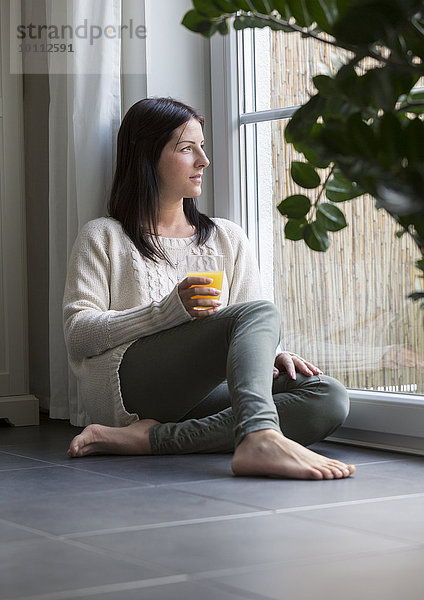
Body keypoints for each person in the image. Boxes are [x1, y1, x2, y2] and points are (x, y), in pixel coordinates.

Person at [64, 97, 356, 480]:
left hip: (204, 392)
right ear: (145, 156)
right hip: (129, 388)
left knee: (327, 397)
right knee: (261, 313)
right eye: (187, 149)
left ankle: (153, 439)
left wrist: (272, 353)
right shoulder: (104, 236)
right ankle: (260, 436)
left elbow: (246, 322)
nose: (203, 160)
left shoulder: (227, 238)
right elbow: (78, 335)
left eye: (202, 147)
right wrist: (165, 311)